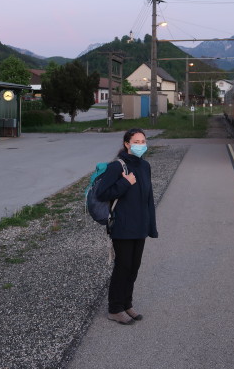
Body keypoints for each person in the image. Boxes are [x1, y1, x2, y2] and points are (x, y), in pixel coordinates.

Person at [96, 128, 158, 325]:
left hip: (139, 225)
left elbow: (148, 198)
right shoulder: (117, 166)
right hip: (122, 226)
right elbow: (102, 194)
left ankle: (126, 304)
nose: (140, 145)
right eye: (136, 141)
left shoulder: (145, 166)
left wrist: (151, 225)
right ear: (127, 144)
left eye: (143, 141)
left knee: (134, 267)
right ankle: (115, 308)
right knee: (123, 268)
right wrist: (125, 183)